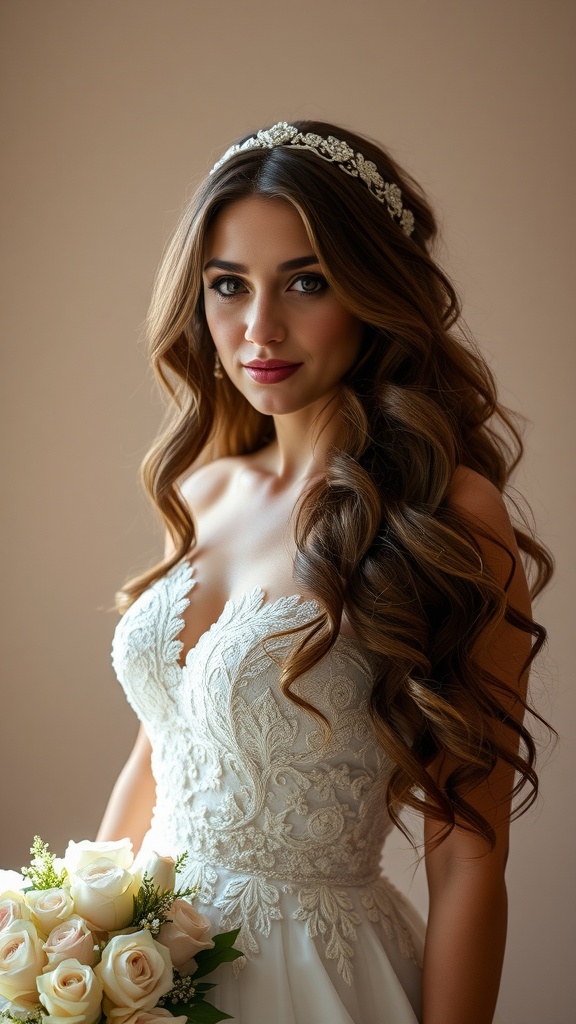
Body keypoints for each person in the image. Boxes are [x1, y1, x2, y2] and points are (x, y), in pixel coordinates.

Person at [98, 121, 553, 1024]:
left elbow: (468, 855)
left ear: (373, 292)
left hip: (311, 978)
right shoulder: (205, 488)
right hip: (146, 973)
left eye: (306, 282)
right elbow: (165, 745)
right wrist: (73, 936)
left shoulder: (446, 513)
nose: (258, 328)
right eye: (228, 286)